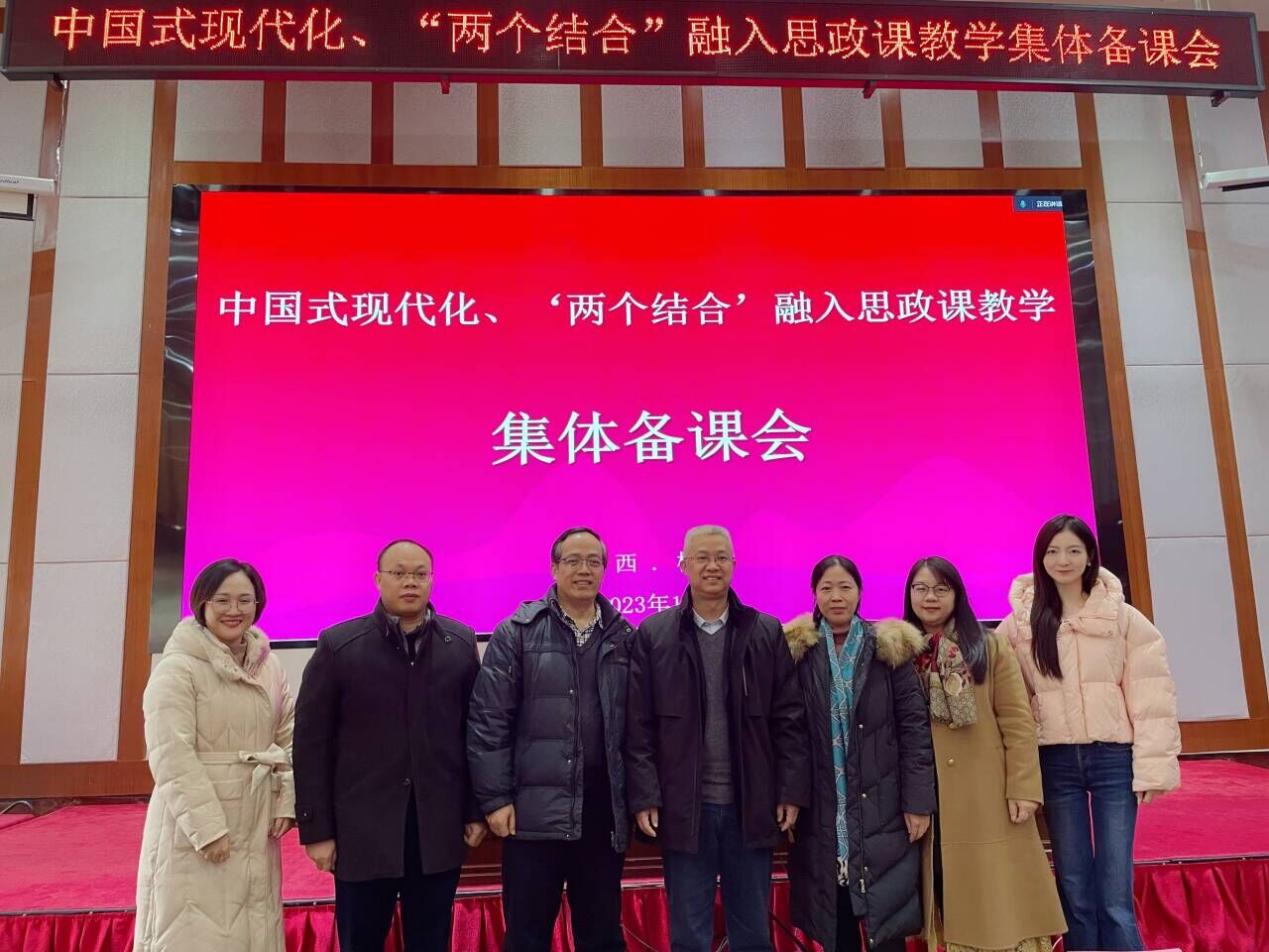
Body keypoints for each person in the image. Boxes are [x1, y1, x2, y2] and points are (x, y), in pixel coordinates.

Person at [996, 515, 1180, 952]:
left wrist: (1153, 767)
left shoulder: (1123, 618)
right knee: (1074, 882)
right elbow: (1003, 692)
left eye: (1073, 550)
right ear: (1040, 558)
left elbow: (1151, 693)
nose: (1063, 560)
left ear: (1090, 556)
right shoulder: (1020, 624)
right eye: (1053, 551)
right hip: (1055, 762)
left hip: (1113, 759)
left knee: (1114, 889)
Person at [293, 540, 485, 952]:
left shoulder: (459, 643)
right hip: (363, 832)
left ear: (432, 580)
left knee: (430, 942)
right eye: (399, 573)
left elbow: (475, 734)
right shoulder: (339, 645)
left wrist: (474, 810)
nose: (410, 582)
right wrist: (316, 830)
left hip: (436, 830)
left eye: (419, 574)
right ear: (378, 579)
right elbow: (310, 745)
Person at [626, 525, 808, 952]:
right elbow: (638, 726)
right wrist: (645, 795)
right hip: (684, 809)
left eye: (721, 557)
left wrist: (790, 790)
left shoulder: (764, 631)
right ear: (684, 564)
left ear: (734, 564)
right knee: (689, 934)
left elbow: (789, 719)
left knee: (752, 933)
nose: (712, 566)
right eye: (702, 557)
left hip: (751, 805)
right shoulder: (654, 634)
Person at [467, 527, 634, 952]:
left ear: (605, 569)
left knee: (602, 936)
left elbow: (637, 729)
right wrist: (495, 799)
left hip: (601, 813)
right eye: (573, 561)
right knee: (527, 936)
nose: (584, 570)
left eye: (593, 561)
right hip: (532, 814)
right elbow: (489, 721)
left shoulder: (624, 637)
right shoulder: (517, 632)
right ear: (554, 568)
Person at [903, 556, 1066, 952]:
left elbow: (1017, 720)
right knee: (945, 886)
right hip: (928, 791)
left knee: (997, 893)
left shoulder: (987, 646)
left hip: (986, 791)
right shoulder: (900, 651)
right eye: (921, 589)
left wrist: (1023, 786)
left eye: (940, 589)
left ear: (956, 594)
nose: (930, 597)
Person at [134, 559, 294, 952]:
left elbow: (290, 736)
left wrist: (286, 799)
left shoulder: (268, 665)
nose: (234, 610)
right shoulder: (177, 668)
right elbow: (170, 755)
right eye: (222, 600)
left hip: (256, 821)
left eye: (245, 600)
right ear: (201, 603)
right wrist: (206, 828)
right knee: (194, 932)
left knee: (252, 929)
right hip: (195, 830)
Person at [782, 555, 934, 952]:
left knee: (887, 920)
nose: (836, 596)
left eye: (845, 587)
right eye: (827, 588)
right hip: (822, 807)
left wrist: (918, 801)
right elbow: (787, 732)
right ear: (814, 594)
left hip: (883, 803)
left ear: (860, 593)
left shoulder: (888, 649)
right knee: (836, 922)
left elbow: (914, 729)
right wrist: (789, 796)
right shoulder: (797, 653)